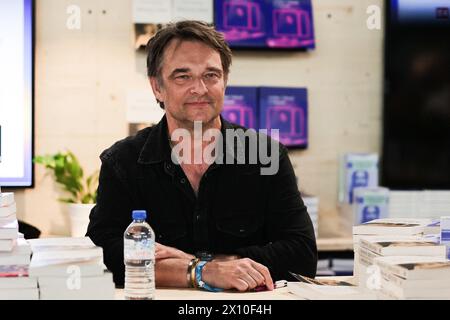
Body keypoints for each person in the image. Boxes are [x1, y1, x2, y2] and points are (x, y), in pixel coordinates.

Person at [87, 20, 317, 292]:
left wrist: (205, 264)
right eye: (182, 76)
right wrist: (202, 271)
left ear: (225, 81)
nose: (200, 89)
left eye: (211, 75)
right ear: (157, 87)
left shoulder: (265, 155)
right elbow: (100, 256)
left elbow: (301, 255)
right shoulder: (123, 161)